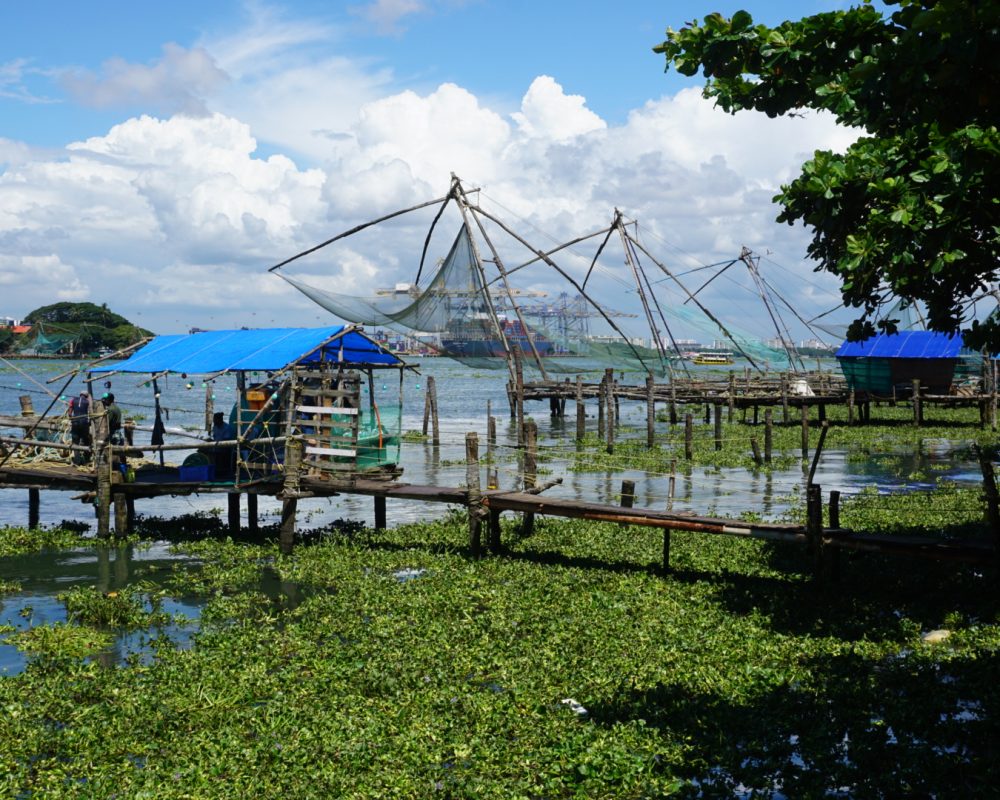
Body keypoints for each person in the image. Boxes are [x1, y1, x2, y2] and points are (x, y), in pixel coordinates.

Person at [68, 390, 91, 465]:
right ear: (86, 396)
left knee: (75, 441)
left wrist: (72, 418)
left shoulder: (73, 400)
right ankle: (86, 460)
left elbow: (70, 413)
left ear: (80, 394)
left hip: (75, 422)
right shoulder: (87, 402)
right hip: (84, 423)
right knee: (86, 441)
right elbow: (90, 412)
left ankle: (77, 461)